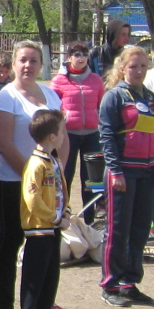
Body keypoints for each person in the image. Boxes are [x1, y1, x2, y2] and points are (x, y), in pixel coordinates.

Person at [0, 41, 64, 309]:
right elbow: (5, 144)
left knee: (47, 243)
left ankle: (42, 304)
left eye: (34, 61)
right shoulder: (5, 99)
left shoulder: (51, 96)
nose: (28, 66)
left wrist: (56, 174)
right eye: (23, 60)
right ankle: (2, 303)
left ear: (41, 65)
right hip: (13, 181)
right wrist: (34, 176)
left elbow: (62, 138)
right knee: (10, 240)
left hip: (47, 185)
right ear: (13, 64)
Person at [98, 46, 154, 305]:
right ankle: (110, 284)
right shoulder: (114, 97)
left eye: (142, 66)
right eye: (133, 66)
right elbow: (106, 136)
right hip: (123, 172)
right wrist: (115, 170)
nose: (138, 71)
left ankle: (130, 282)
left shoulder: (151, 97)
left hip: (147, 172)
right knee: (118, 230)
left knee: (140, 230)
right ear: (122, 68)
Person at [18, 108, 72, 309]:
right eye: (61, 132)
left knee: (51, 273)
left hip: (54, 227)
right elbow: (32, 199)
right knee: (35, 273)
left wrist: (66, 212)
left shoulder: (54, 162)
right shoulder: (35, 164)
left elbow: (62, 191)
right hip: (39, 228)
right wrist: (54, 217)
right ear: (52, 136)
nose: (63, 136)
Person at [51, 42, 104, 210]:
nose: (81, 58)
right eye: (77, 54)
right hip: (68, 134)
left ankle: (89, 217)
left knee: (91, 179)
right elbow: (52, 106)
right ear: (69, 58)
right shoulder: (59, 81)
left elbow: (101, 105)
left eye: (84, 54)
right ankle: (63, 213)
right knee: (65, 174)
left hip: (92, 134)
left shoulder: (95, 80)